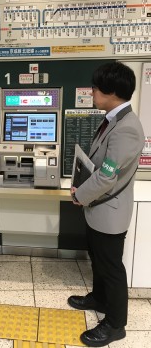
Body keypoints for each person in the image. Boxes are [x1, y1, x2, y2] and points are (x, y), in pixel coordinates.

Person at [69, 61, 145, 347]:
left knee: (111, 268)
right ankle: (98, 298)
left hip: (109, 211)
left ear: (112, 92)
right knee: (99, 260)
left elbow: (107, 176)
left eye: (96, 88)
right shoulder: (115, 119)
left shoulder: (126, 128)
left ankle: (115, 324)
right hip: (98, 208)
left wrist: (80, 195)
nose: (92, 92)